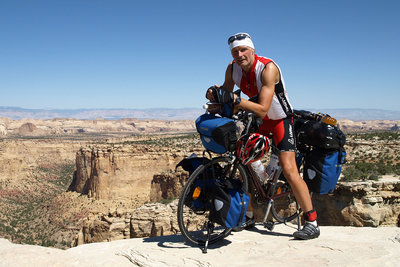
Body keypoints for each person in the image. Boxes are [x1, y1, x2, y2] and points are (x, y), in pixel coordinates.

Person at [206, 32, 319, 240]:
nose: (239, 55)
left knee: (289, 168)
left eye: (243, 50)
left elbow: (263, 108)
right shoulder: (232, 69)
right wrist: (215, 96)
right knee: (243, 160)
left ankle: (312, 222)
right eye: (235, 52)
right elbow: (226, 95)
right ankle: (248, 216)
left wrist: (235, 100)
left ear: (252, 50)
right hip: (258, 120)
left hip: (280, 120)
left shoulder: (268, 69)